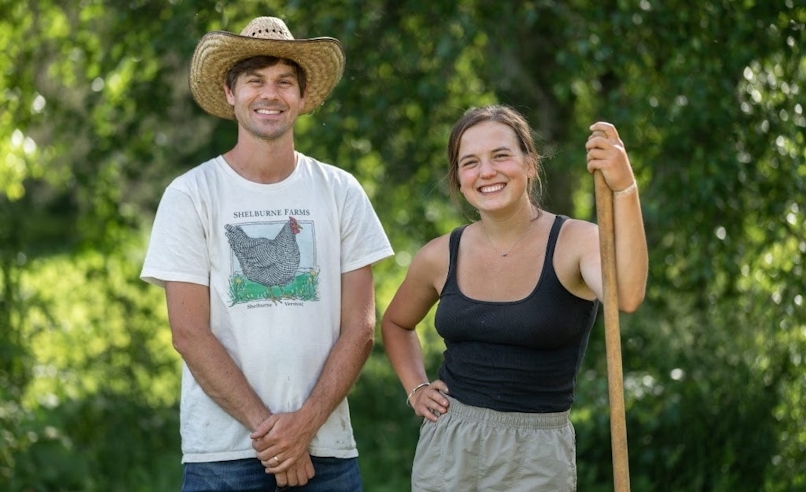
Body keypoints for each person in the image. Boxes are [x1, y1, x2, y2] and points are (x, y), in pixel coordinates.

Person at [140, 15, 393, 492]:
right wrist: (275, 437)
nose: (270, 94)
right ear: (230, 92)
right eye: (255, 80)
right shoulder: (191, 193)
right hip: (225, 455)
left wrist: (305, 426)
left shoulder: (341, 191)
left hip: (328, 452)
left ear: (300, 96)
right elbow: (189, 333)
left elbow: (360, 329)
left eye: (284, 82)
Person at [381, 104, 648, 491]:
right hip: (449, 448)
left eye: (501, 155)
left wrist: (625, 188)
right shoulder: (440, 255)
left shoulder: (574, 242)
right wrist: (416, 388)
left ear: (529, 164)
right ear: (458, 178)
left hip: (536, 454)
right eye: (470, 162)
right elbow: (396, 322)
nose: (486, 172)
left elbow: (626, 295)